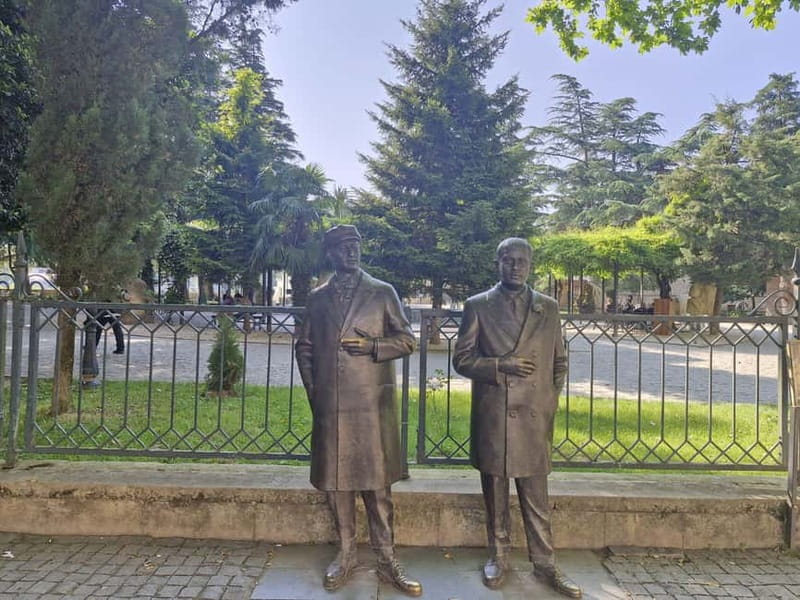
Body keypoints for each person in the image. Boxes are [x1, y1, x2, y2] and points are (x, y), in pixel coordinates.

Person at [294, 225, 422, 597]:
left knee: (377, 484)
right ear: (331, 253)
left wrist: (372, 346)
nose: (353, 252)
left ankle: (387, 556)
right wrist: (316, 393)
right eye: (345, 247)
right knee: (338, 481)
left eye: (357, 246)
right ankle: (346, 551)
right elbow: (304, 348)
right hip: (332, 404)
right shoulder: (317, 299)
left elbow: (407, 340)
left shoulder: (382, 293)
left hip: (371, 404)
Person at [452, 237, 581, 598]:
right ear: (498, 263)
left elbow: (560, 362)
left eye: (522, 261)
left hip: (533, 417)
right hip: (494, 413)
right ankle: (499, 555)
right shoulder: (477, 306)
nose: (516, 267)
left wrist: (549, 402)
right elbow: (461, 360)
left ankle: (545, 562)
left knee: (535, 493)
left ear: (531, 264)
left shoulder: (548, 307)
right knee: (495, 491)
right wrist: (499, 365)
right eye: (508, 260)